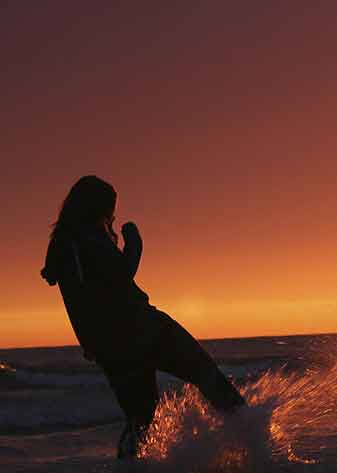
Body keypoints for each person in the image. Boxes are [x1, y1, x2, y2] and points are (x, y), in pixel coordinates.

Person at [41, 175, 245, 458]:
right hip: (142, 327)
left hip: (109, 347)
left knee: (140, 418)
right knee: (207, 375)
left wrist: (93, 346)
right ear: (95, 207)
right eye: (110, 207)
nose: (112, 214)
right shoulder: (90, 236)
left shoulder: (63, 244)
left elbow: (79, 298)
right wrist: (134, 240)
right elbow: (122, 274)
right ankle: (256, 442)